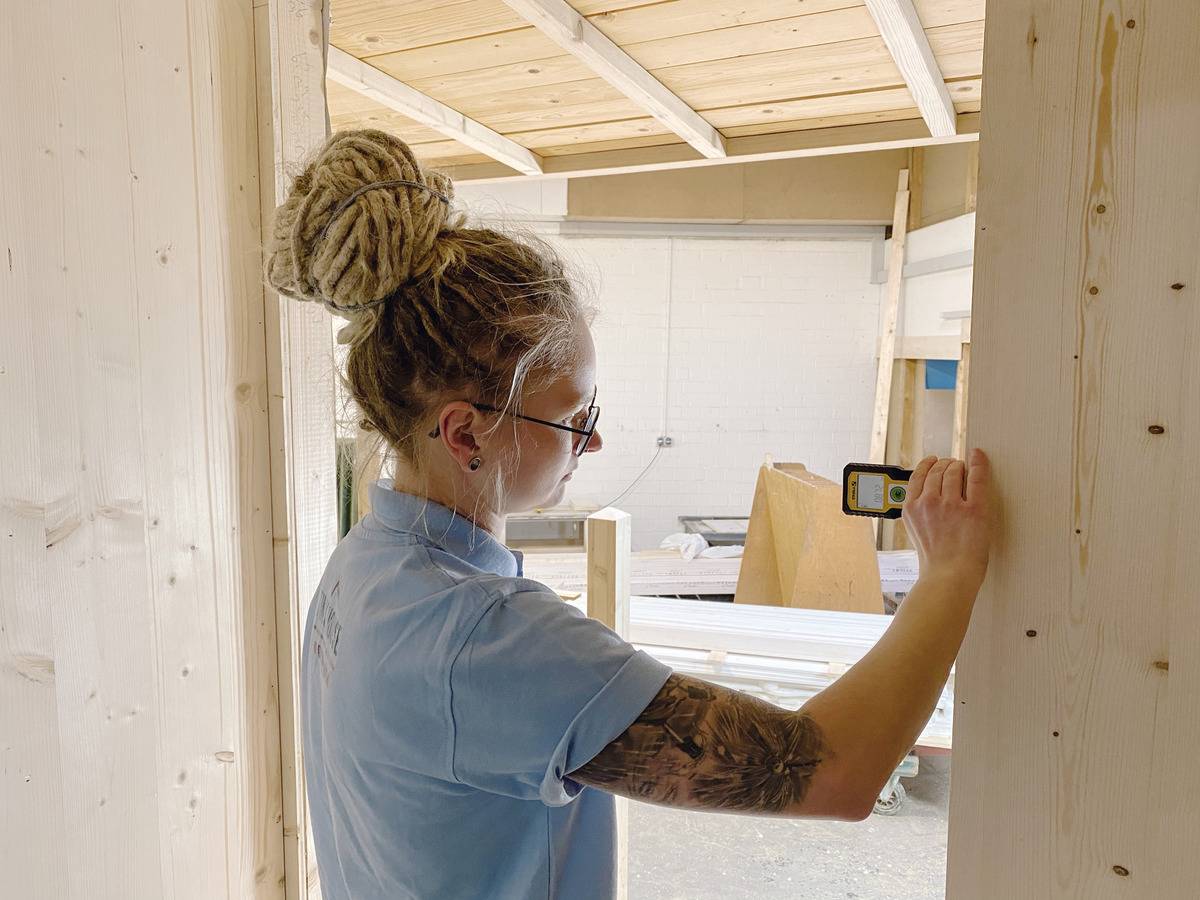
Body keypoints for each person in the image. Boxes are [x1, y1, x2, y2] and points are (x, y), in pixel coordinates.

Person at [266, 128, 996, 900]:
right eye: (573, 415)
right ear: (465, 431)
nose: (594, 437)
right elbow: (833, 769)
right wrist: (950, 571)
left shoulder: (367, 561)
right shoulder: (492, 640)